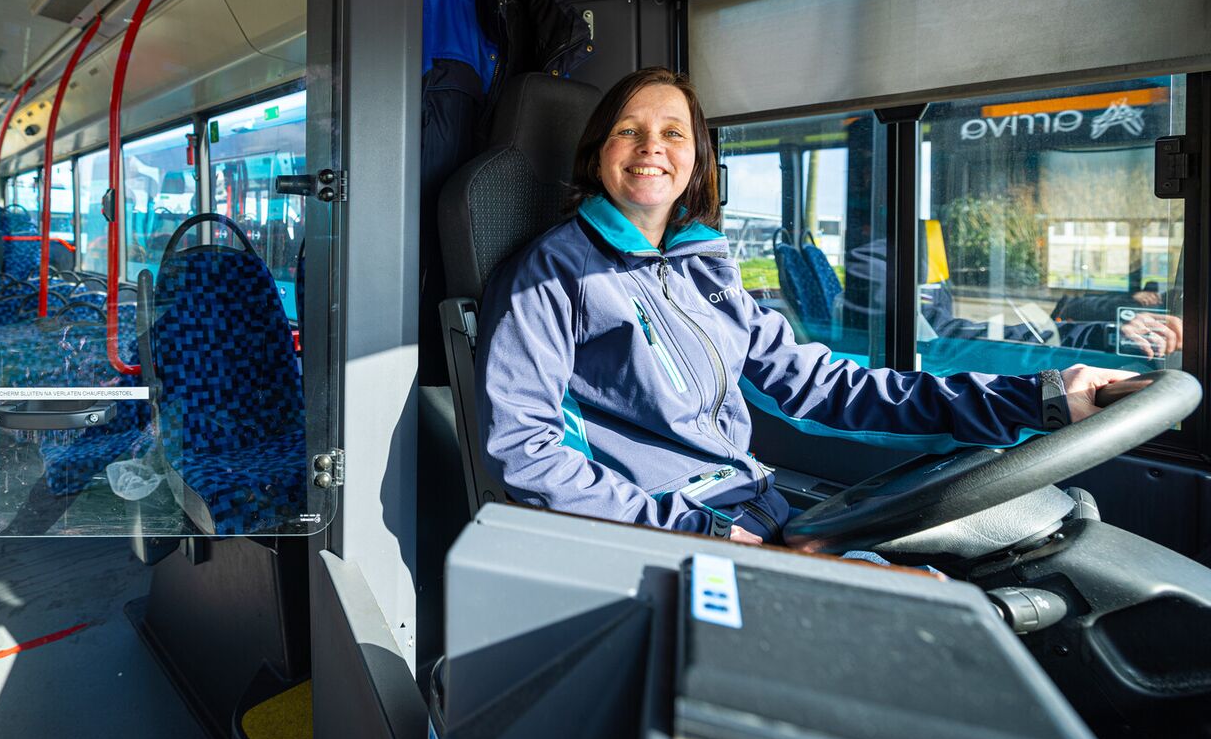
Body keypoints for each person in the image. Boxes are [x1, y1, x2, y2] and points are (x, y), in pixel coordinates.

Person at [477, 68, 1137, 545]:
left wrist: (1037, 397)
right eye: (630, 130)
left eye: (673, 132)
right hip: (663, 534)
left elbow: (824, 386)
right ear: (599, 157)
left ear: (698, 158)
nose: (653, 146)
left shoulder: (702, 270)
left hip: (748, 509)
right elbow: (527, 452)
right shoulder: (549, 275)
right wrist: (693, 529)